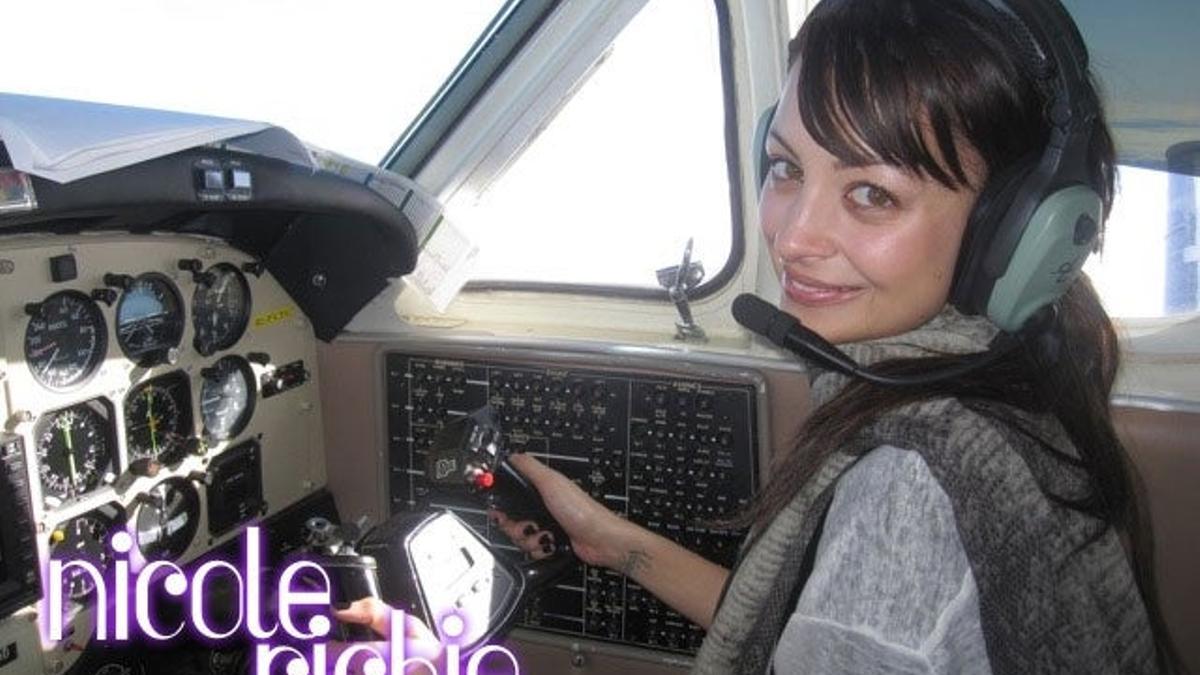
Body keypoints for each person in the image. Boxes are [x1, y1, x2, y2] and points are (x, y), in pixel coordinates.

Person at [345, 0, 1180, 672]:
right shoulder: (1007, 383)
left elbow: (863, 621)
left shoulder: (909, 494)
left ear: (1014, 231)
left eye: (872, 194)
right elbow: (814, 627)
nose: (792, 235)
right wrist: (615, 543)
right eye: (787, 168)